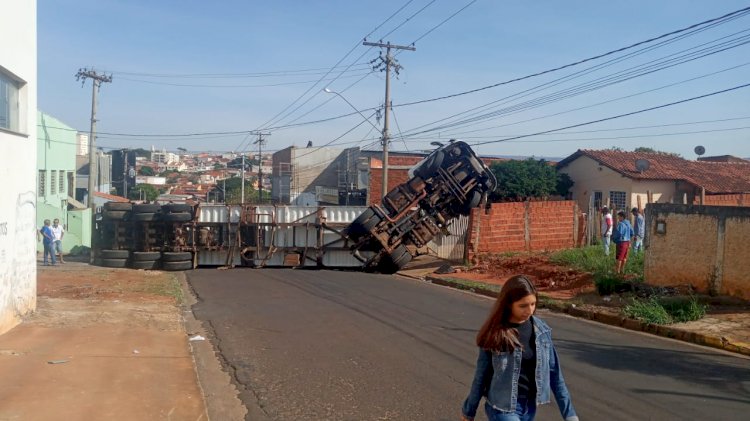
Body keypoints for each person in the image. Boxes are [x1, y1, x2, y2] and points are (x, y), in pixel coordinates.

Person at [461, 275, 579, 421]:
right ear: (509, 304)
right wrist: (469, 412)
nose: (529, 310)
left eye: (533, 304)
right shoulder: (496, 334)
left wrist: (570, 414)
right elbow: (481, 376)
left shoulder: (541, 331)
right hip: (502, 408)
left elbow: (555, 374)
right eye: (523, 306)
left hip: (529, 407)